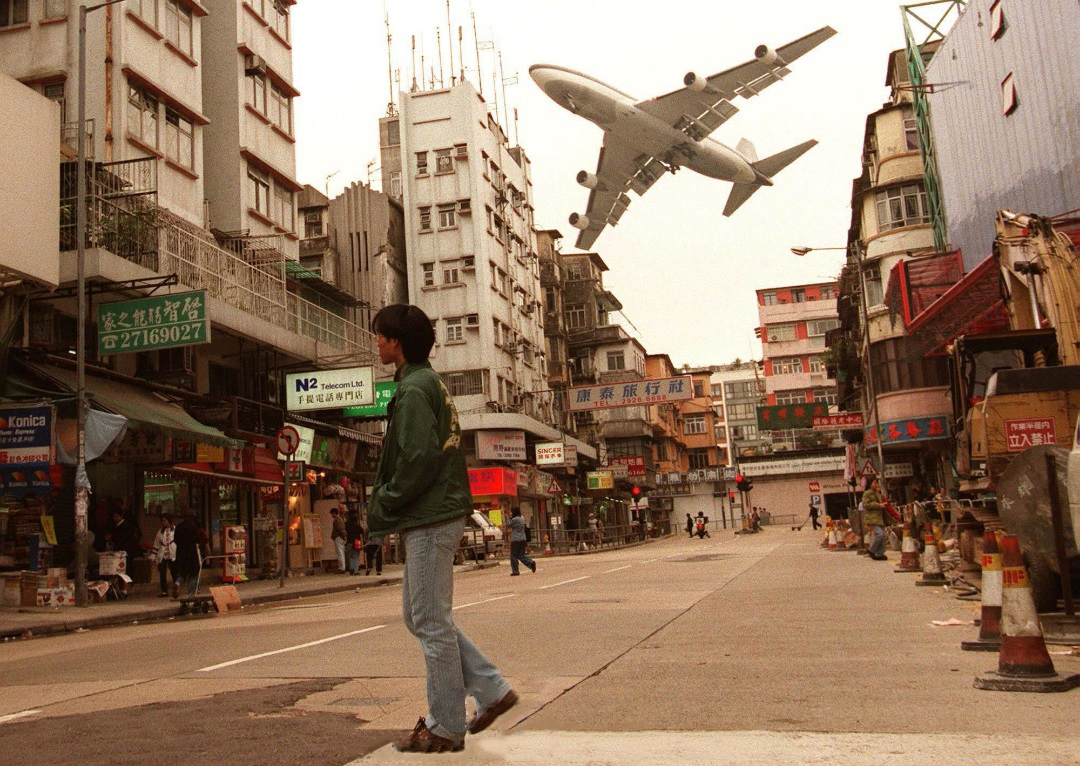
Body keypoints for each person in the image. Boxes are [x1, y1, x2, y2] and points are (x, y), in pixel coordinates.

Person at [367, 304, 516, 753]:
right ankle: (490, 689)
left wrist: (385, 499)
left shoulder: (414, 390)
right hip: (434, 512)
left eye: (380, 336)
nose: (376, 343)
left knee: (430, 621)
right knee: (420, 617)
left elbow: (416, 461)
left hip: (431, 515)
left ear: (396, 341)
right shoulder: (423, 383)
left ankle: (445, 727)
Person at [173, 513, 202, 596]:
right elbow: (197, 539)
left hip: (181, 553)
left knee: (183, 573)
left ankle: (177, 583)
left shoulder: (178, 527)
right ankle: (191, 593)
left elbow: (175, 540)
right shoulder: (193, 527)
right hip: (191, 553)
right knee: (193, 573)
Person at [151, 514, 177, 597]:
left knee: (174, 572)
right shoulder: (160, 531)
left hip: (172, 554)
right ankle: (164, 591)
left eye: (165, 520)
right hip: (162, 554)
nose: (163, 522)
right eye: (162, 520)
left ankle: (176, 588)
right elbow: (156, 544)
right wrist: (153, 555)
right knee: (162, 572)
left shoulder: (175, 530)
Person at [862, 478, 888, 560]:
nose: (876, 484)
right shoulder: (867, 493)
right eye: (874, 482)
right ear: (870, 484)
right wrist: (878, 505)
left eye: (877, 483)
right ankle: (871, 550)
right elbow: (866, 504)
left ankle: (879, 554)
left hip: (879, 517)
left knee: (883, 535)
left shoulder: (877, 493)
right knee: (879, 534)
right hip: (872, 518)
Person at [507, 508, 536, 577]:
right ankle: (530, 563)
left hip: (516, 540)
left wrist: (509, 517)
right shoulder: (522, 518)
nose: (510, 513)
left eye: (511, 512)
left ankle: (515, 571)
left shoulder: (515, 519)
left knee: (513, 555)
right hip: (523, 539)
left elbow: (508, 525)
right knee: (520, 554)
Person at [345, 509, 364, 575]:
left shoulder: (347, 525)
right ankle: (356, 571)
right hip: (356, 542)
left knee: (351, 556)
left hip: (349, 542)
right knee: (356, 556)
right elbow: (362, 531)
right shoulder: (357, 526)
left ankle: (351, 569)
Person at [330, 506, 347, 573]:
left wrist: (344, 536)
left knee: (340, 553)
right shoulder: (340, 519)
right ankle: (342, 567)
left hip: (338, 537)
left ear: (334, 513)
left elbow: (340, 529)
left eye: (332, 514)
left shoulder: (337, 520)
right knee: (341, 553)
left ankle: (341, 568)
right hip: (340, 537)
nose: (332, 515)